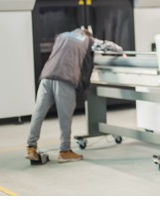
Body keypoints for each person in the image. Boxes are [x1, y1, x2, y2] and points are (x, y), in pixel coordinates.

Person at [26, 27, 123, 163]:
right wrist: (121, 51)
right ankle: (65, 151)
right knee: (65, 117)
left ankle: (31, 147)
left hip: (46, 76)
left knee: (38, 112)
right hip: (65, 78)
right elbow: (110, 47)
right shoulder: (88, 39)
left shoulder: (61, 36)